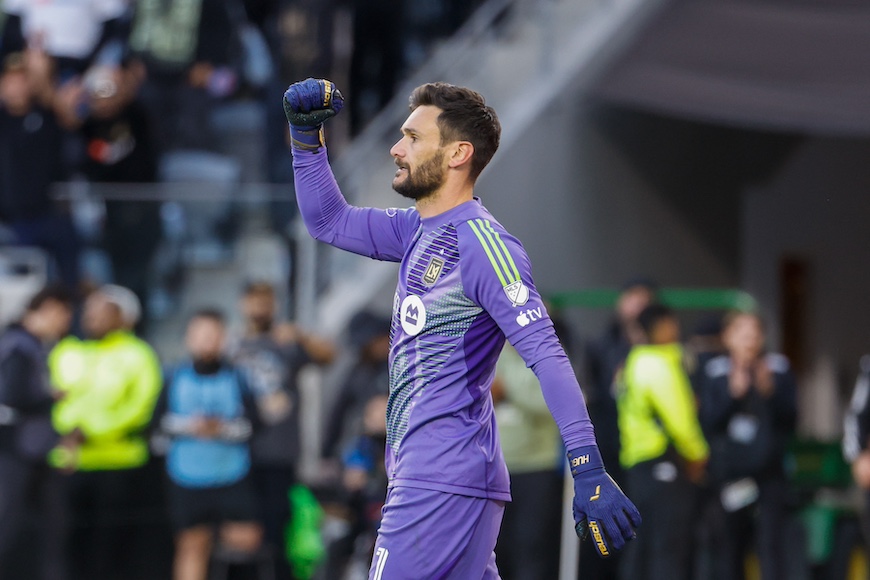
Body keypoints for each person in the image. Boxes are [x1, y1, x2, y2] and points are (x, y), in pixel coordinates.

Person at [283, 78, 640, 579]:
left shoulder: (484, 247)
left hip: (439, 480)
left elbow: (548, 357)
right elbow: (327, 221)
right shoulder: (416, 231)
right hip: (442, 477)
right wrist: (305, 139)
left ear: (457, 154)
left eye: (412, 137)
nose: (396, 148)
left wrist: (587, 466)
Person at [48, 284, 163, 580]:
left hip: (119, 464)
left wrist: (92, 432)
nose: (92, 317)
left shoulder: (138, 355)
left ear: (125, 318)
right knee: (66, 547)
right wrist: (68, 431)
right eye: (89, 311)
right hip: (70, 465)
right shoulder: (68, 351)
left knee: (112, 549)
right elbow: (54, 402)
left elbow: (140, 408)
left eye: (102, 311)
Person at [230, 280, 335, 578]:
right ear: (243, 305)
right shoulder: (233, 344)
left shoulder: (286, 341)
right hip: (238, 452)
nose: (260, 308)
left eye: (266, 301)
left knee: (278, 529)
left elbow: (329, 356)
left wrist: (301, 335)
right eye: (254, 301)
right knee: (244, 531)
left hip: (279, 452)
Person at [154, 308, 263, 580]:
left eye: (213, 335)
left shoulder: (237, 377)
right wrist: (191, 427)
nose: (206, 341)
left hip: (231, 472)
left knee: (247, 538)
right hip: (187, 475)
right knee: (191, 544)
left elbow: (255, 425)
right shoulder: (173, 376)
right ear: (188, 339)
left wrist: (222, 429)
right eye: (200, 335)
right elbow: (156, 423)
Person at [698, 311, 797, 580]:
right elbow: (707, 423)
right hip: (731, 476)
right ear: (727, 337)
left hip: (769, 476)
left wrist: (770, 393)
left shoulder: (777, 369)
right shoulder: (715, 372)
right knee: (730, 548)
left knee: (771, 547)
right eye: (742, 333)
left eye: (755, 333)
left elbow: (792, 421)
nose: (750, 340)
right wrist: (732, 395)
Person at [616, 303, 708, 580]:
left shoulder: (638, 360)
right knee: (668, 549)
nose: (674, 329)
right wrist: (698, 455)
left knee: (643, 548)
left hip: (640, 467)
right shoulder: (655, 364)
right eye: (668, 323)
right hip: (661, 463)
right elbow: (680, 420)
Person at [0, 285, 74, 580]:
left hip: (36, 450)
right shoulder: (19, 345)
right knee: (8, 524)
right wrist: (50, 397)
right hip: (16, 450)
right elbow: (12, 397)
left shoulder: (31, 345)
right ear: (51, 310)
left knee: (54, 526)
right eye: (64, 315)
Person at [491, 342, 563, 580]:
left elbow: (550, 402)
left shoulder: (546, 354)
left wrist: (505, 387)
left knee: (531, 547)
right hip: (493, 471)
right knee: (493, 549)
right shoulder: (488, 350)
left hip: (535, 468)